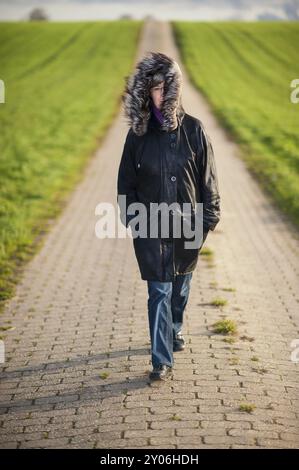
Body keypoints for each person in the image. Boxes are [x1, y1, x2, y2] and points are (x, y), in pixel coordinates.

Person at [117, 52, 221, 381]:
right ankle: (161, 360)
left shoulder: (195, 130)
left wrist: (209, 219)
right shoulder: (138, 135)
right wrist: (133, 219)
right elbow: (125, 184)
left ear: (174, 89)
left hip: (188, 226)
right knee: (159, 291)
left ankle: (174, 329)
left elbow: (208, 179)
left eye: (163, 87)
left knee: (180, 289)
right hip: (150, 226)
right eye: (152, 88)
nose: (157, 94)